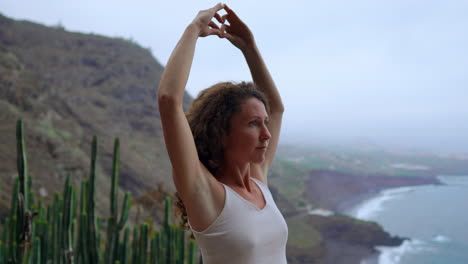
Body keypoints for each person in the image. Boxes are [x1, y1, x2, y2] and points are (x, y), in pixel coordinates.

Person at [157, 3, 287, 264]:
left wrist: (249, 47)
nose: (267, 134)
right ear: (222, 132)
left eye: (264, 123)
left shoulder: (258, 180)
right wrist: (194, 29)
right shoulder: (206, 193)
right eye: (253, 123)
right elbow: (169, 100)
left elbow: (277, 109)